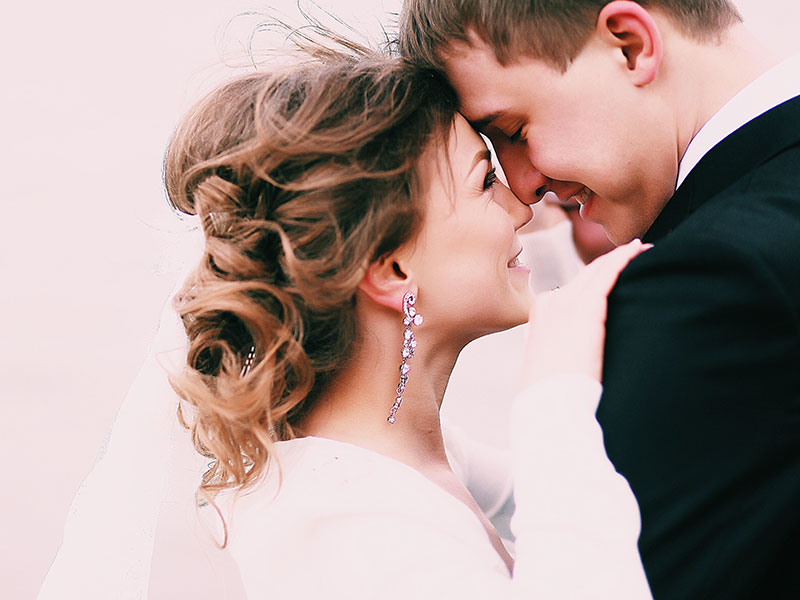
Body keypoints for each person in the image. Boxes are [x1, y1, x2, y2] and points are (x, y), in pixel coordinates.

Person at [38, 46, 652, 598]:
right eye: (484, 180)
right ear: (389, 267)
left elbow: (599, 500)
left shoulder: (394, 457)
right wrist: (555, 392)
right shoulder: (341, 522)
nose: (523, 203)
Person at [399, 0, 800, 597]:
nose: (526, 186)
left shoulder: (702, 284)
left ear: (630, 45)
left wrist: (554, 403)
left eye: (515, 130)